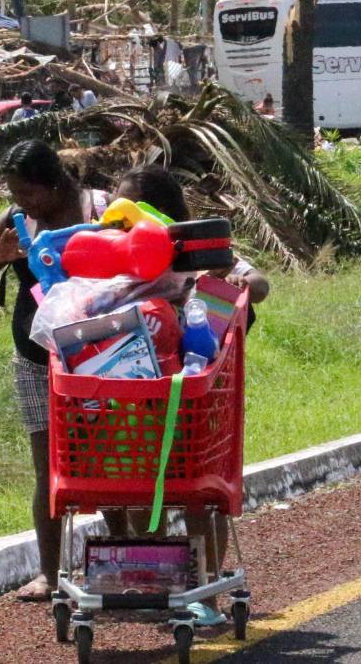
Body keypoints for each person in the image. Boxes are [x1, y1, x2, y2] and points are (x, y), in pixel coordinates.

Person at [0, 140, 118, 602]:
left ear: (54, 184)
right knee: (49, 467)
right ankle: (50, 573)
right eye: (15, 193)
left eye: (27, 192)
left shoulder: (100, 209)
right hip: (35, 360)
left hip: (103, 359)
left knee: (110, 462)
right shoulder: (17, 219)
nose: (21, 202)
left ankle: (131, 558)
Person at [111, 165, 269, 627]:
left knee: (199, 490)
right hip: (143, 392)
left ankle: (206, 593)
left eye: (129, 205)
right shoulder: (120, 254)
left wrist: (235, 280)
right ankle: (155, 582)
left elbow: (258, 283)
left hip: (199, 393)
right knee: (144, 488)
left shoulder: (199, 248)